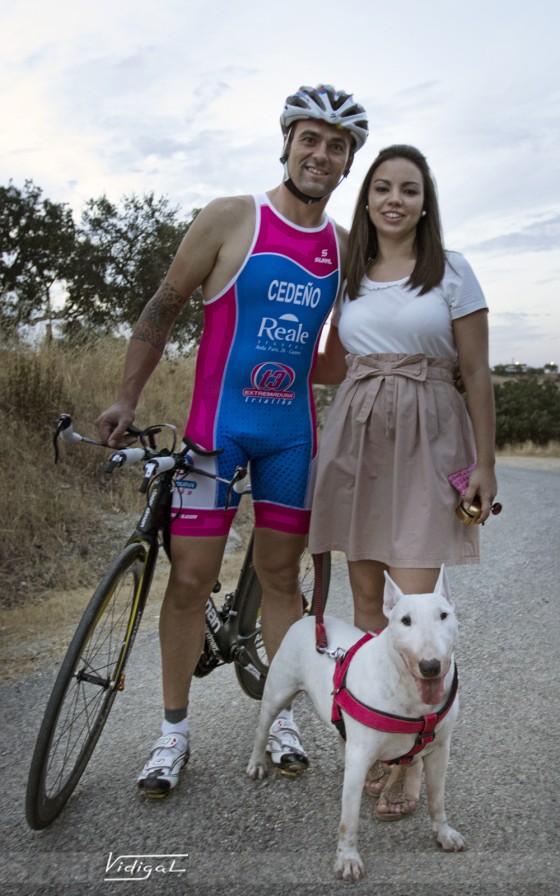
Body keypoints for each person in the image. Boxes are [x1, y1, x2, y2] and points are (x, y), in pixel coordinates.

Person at [96, 84, 369, 797]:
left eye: (337, 146)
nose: (321, 153)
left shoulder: (342, 250)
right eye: (310, 138)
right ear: (287, 144)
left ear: (347, 165)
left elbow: (334, 360)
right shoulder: (229, 218)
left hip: (291, 438)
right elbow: (164, 305)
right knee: (188, 579)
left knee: (282, 580)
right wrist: (126, 395)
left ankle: (278, 720)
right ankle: (172, 735)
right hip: (216, 431)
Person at [310, 144, 497, 818]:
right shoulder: (351, 276)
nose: (394, 199)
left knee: (419, 616)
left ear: (425, 201)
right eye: (382, 187)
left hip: (429, 436)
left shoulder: (452, 272)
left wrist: (486, 463)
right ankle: (383, 739)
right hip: (358, 439)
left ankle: (416, 761)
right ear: (367, 200)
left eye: (409, 190)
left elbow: (475, 373)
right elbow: (329, 361)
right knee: (368, 609)